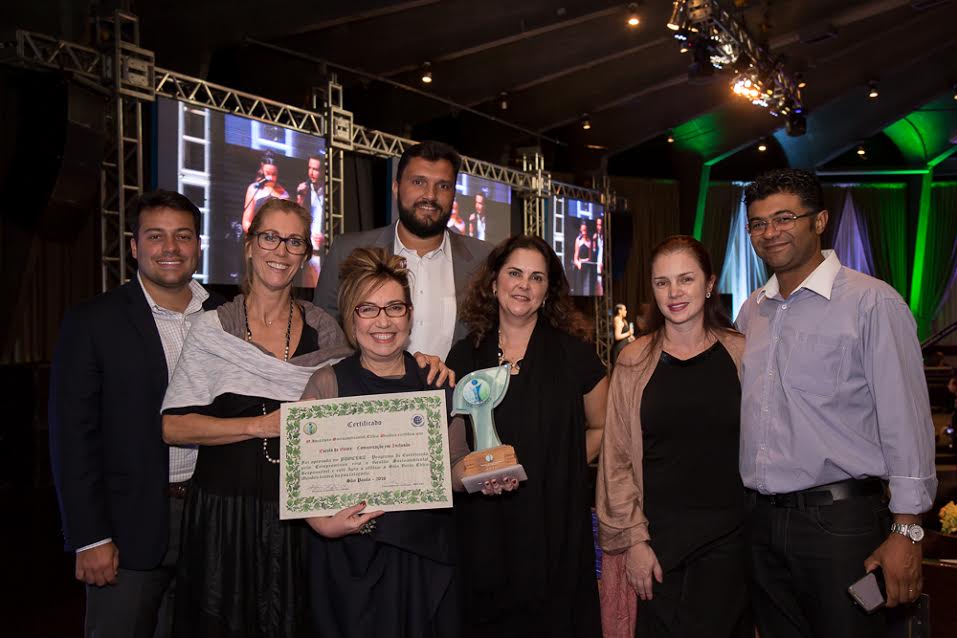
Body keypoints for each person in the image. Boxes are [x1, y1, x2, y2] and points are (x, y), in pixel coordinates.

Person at [161, 199, 450, 637]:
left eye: (294, 241)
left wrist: (421, 360)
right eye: (270, 237)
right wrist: (258, 426)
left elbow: (373, 367)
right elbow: (173, 426)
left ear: (305, 256)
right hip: (226, 513)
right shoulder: (214, 329)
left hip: (301, 518)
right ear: (250, 245)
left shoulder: (325, 329)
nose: (280, 250)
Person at [737, 169, 937, 637]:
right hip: (763, 524)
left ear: (820, 220)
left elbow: (907, 423)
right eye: (758, 223)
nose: (770, 233)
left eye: (784, 218)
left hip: (841, 526)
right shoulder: (752, 312)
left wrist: (907, 531)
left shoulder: (872, 304)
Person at [49, 190, 224, 638]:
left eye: (183, 236)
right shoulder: (92, 321)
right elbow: (72, 437)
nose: (171, 249)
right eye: (156, 236)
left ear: (198, 246)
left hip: (213, 522)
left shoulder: (226, 316)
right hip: (126, 528)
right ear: (133, 246)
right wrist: (89, 538)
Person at [446, 234, 608, 638]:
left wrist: (558, 465)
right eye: (514, 273)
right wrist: (475, 474)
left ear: (547, 290)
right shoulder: (464, 355)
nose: (523, 285)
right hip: (484, 526)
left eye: (537, 277)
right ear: (493, 282)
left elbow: (604, 428)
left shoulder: (576, 355)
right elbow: (451, 447)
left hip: (554, 524)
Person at [301, 247, 464, 637]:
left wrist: (484, 474)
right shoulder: (327, 383)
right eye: (368, 309)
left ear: (409, 314)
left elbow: (455, 465)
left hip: (422, 560)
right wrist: (322, 525)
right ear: (350, 317)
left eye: (394, 307)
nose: (383, 321)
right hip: (346, 562)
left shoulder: (436, 381)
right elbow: (301, 482)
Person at [596, 235, 749, 638]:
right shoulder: (633, 360)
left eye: (685, 279)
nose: (674, 292)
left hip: (730, 543)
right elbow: (616, 461)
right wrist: (634, 542)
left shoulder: (742, 353)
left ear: (709, 283)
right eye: (662, 282)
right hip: (657, 544)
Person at [314, 140, 493, 360]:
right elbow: (324, 336)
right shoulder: (348, 251)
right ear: (396, 187)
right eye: (418, 182)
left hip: (453, 393)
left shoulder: (483, 259)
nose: (430, 195)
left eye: (443, 186)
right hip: (368, 392)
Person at [296, 153, 326, 287]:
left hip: (324, 253)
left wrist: (326, 237)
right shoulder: (305, 190)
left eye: (316, 169)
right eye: (310, 168)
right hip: (308, 252)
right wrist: (300, 198)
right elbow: (297, 218)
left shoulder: (329, 191)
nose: (312, 173)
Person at [242, 151, 289, 233]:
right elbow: (246, 222)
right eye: (267, 173)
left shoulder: (284, 195)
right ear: (262, 169)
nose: (270, 177)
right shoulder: (254, 189)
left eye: (274, 174)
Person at [572, 222, 594, 295]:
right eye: (582, 230)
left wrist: (584, 261)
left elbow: (590, 257)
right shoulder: (578, 240)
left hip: (587, 266)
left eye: (585, 230)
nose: (584, 232)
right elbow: (575, 257)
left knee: (586, 286)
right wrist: (579, 263)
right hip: (579, 266)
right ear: (580, 231)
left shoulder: (589, 241)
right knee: (579, 287)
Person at [593, 217, 604, 296]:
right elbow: (593, 250)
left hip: (603, 265)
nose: (598, 227)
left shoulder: (605, 237)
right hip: (597, 263)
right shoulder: (596, 236)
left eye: (600, 225)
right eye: (597, 225)